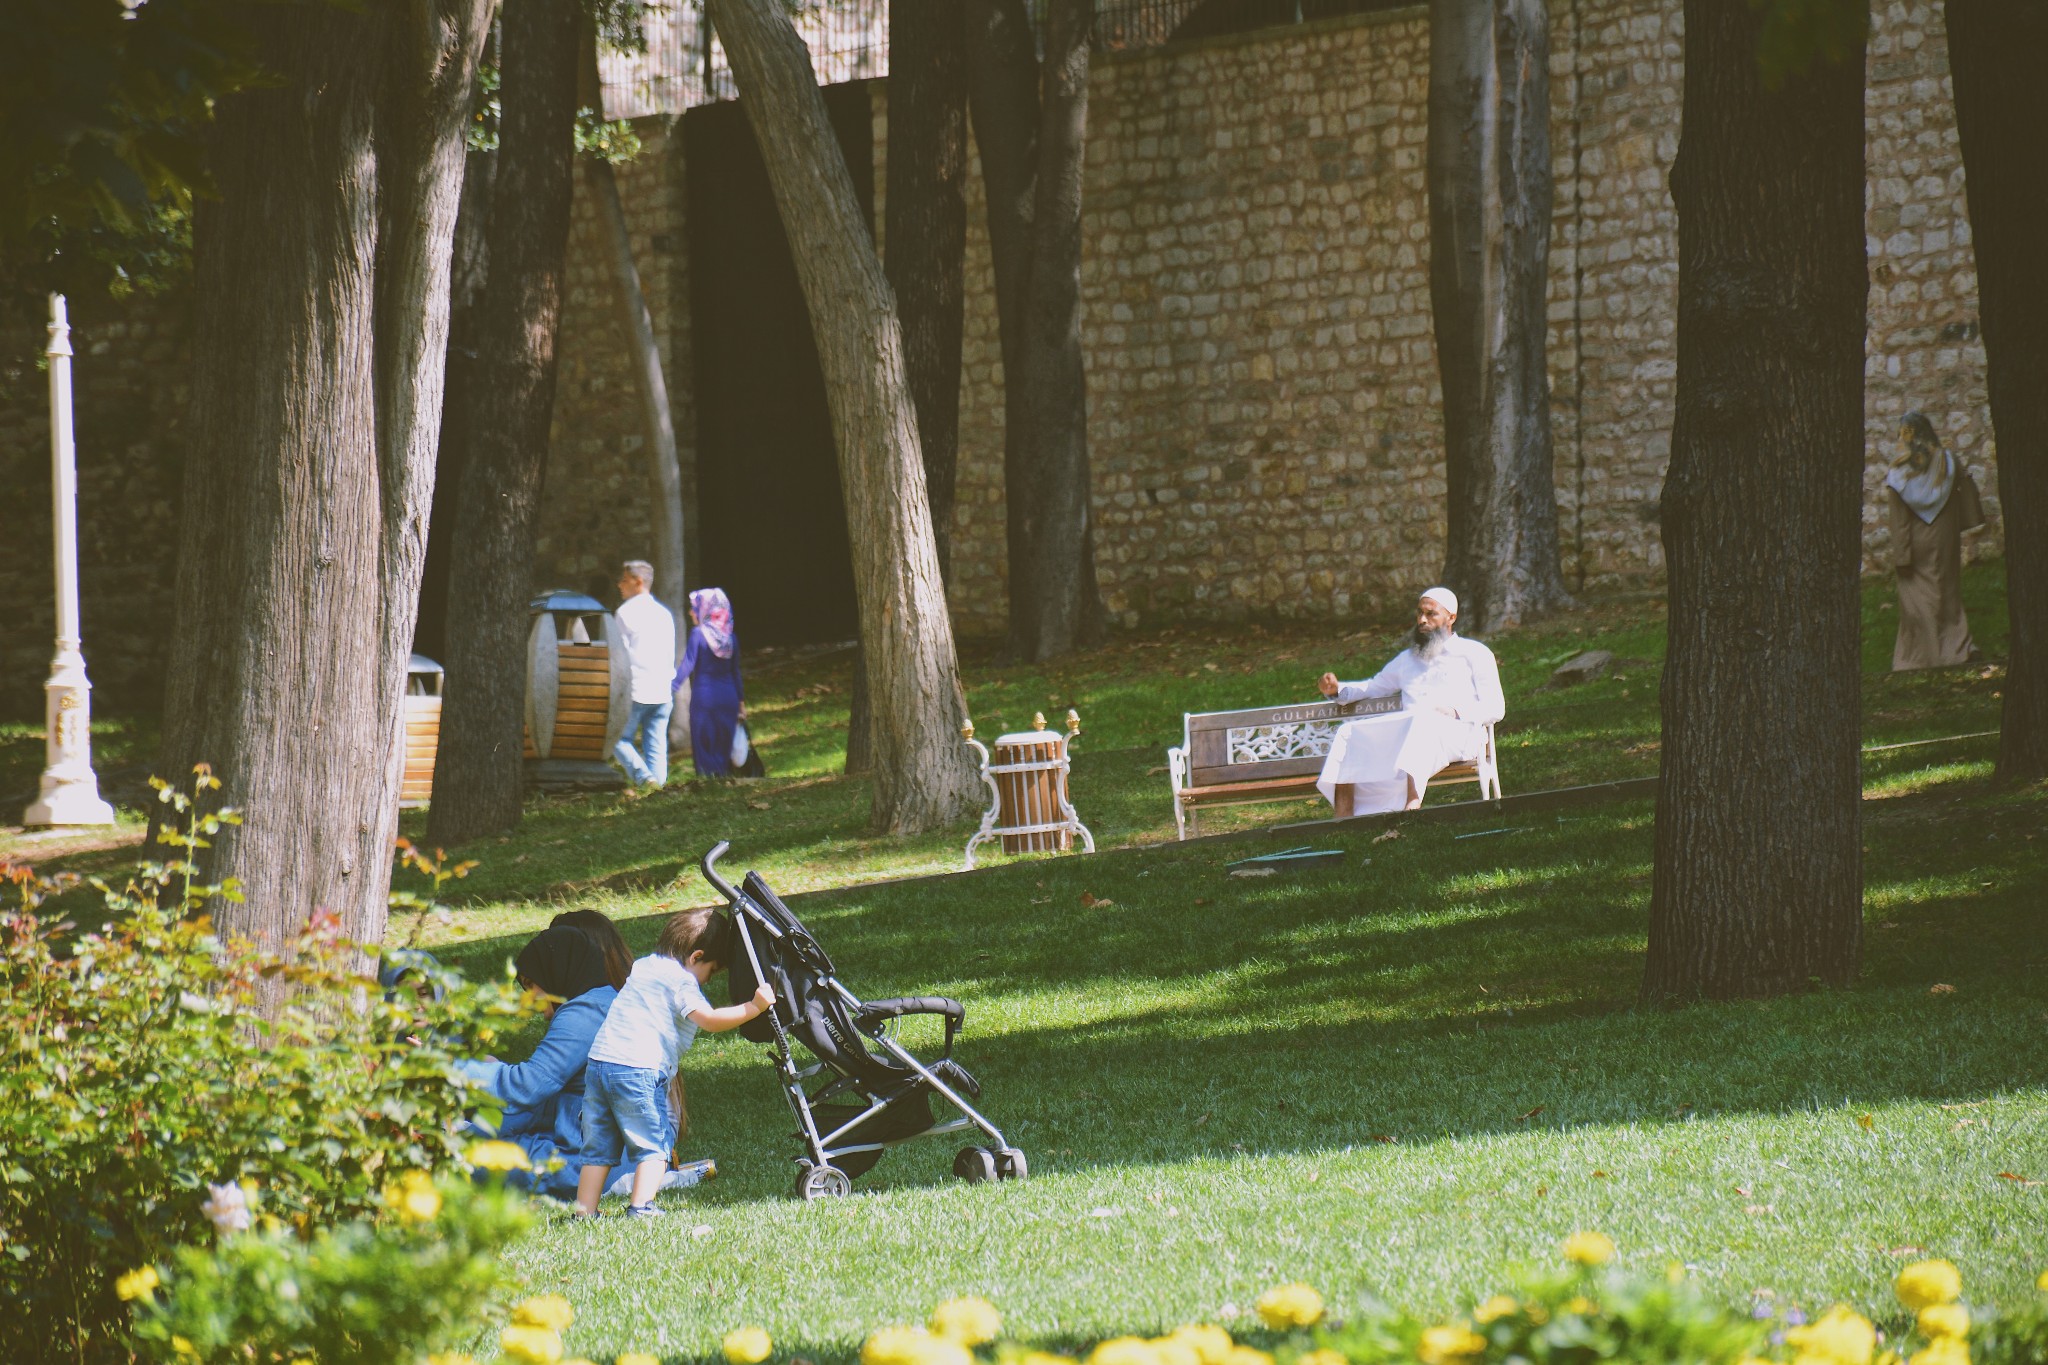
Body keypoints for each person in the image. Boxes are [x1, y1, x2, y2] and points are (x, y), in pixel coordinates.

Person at [574, 907, 773, 1218]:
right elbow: (709, 1020)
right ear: (696, 957)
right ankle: (641, 1207)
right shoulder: (681, 981)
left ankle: (584, 1212)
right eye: (711, 970)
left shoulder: (643, 967)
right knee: (653, 1144)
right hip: (637, 1068)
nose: (707, 980)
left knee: (597, 1147)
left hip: (600, 1064)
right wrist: (753, 1007)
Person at [1313, 586, 1505, 816]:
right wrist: (1337, 690)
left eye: (1431, 614)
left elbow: (1495, 708)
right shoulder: (1407, 659)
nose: (1422, 620)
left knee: (1420, 723)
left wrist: (1456, 712)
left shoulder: (1475, 653)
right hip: (1409, 732)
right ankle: (1343, 818)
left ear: (1451, 617)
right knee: (1349, 732)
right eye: (1419, 614)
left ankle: (1411, 808)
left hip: (1461, 734)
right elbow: (1374, 686)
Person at [1887, 411, 1985, 671]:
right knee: (1947, 593)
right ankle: (1956, 650)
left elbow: (1900, 522)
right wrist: (1967, 521)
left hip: (1915, 543)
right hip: (1945, 539)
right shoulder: (1949, 461)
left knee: (1917, 600)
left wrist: (1901, 556)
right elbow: (1966, 490)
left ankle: (1920, 657)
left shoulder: (1899, 473)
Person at [612, 560, 678, 787]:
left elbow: (619, 655)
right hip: (662, 688)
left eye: (624, 580)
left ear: (638, 582)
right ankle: (657, 787)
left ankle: (644, 778)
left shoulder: (625, 613)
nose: (619, 584)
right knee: (656, 743)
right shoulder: (664, 613)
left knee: (617, 738)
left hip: (636, 688)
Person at [676, 587, 746, 778]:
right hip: (729, 697)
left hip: (704, 697)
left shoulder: (698, 634)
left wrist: (671, 686)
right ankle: (722, 779)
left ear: (706, 609)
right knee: (724, 741)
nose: (691, 612)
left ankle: (708, 783)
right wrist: (741, 703)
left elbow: (687, 664)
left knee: (704, 742)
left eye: (694, 607)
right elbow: (735, 672)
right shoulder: (731, 638)